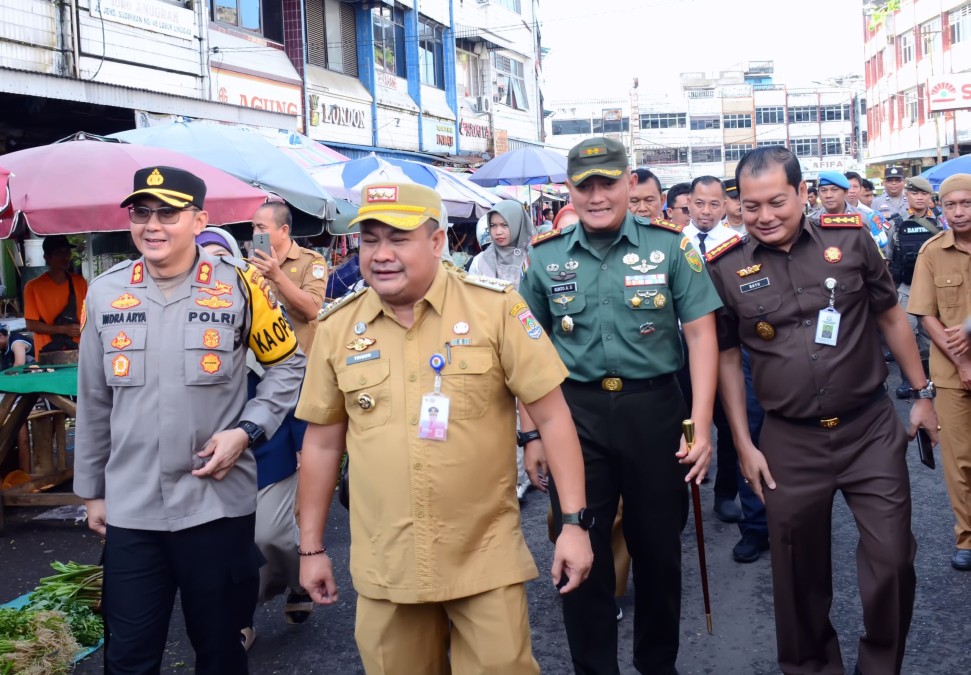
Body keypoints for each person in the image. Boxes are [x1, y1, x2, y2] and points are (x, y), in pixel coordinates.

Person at [296, 182, 593, 674]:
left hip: (483, 556)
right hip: (386, 565)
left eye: (399, 238)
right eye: (370, 240)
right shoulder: (337, 328)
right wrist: (311, 547)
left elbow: (553, 416)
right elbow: (323, 444)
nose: (382, 254)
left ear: (437, 243)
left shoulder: (496, 309)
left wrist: (575, 524)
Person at [709, 146, 938, 675]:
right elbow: (724, 358)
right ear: (737, 206)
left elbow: (891, 319)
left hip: (870, 430)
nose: (764, 216)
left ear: (803, 195)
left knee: (894, 559)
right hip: (788, 441)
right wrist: (743, 444)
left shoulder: (851, 239)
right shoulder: (726, 268)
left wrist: (922, 395)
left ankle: (879, 666)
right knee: (796, 572)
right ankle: (813, 668)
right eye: (750, 205)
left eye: (777, 202)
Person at [74, 166, 306, 674]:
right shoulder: (106, 293)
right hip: (132, 510)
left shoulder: (239, 287)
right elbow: (93, 398)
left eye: (168, 213)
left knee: (221, 651)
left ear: (199, 219)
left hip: (216, 507)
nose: (152, 225)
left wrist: (247, 432)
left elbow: (288, 365)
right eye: (141, 212)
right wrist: (92, 490)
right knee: (129, 657)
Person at [519, 137, 721, 675]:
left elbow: (702, 336)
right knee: (579, 547)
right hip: (574, 419)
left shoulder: (671, 247)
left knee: (658, 554)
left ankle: (658, 666)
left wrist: (700, 426)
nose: (597, 195)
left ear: (630, 184)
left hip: (655, 413)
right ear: (570, 190)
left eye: (607, 182)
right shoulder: (544, 256)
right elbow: (525, 349)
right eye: (584, 185)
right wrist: (530, 432)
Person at [194, 226, 313, 649]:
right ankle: (239, 619)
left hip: (270, 446)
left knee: (271, 535)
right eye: (201, 259)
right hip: (208, 456)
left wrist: (303, 444)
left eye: (220, 261)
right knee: (222, 548)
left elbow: (291, 378)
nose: (210, 271)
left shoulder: (260, 311)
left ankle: (299, 577)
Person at [907, 173, 971, 571]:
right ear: (940, 208)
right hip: (951, 374)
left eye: (966, 203)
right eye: (951, 205)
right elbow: (925, 314)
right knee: (960, 461)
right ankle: (966, 537)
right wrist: (962, 361)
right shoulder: (931, 252)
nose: (959, 212)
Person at [682, 176, 743, 523]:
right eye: (700, 203)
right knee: (686, 418)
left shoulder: (737, 244)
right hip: (682, 346)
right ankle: (685, 483)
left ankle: (725, 493)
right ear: (688, 203)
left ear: (725, 205)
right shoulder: (675, 242)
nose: (706, 212)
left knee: (730, 422)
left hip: (725, 346)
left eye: (714, 204)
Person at [469, 199, 535, 501]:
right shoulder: (481, 261)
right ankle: (514, 477)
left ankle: (534, 468)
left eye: (504, 225)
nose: (498, 232)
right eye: (493, 225)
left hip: (533, 342)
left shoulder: (534, 257)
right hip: (493, 342)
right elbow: (472, 300)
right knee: (503, 411)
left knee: (533, 409)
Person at [248, 202, 328, 352]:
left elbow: (313, 310)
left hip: (300, 360)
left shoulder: (311, 261)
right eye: (253, 228)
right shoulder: (251, 264)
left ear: (284, 231)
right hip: (261, 360)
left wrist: (277, 275)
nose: (255, 234)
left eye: (261, 228)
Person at [890, 176, 940, 399]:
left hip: (936, 288)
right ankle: (907, 379)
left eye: (924, 194)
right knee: (907, 333)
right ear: (907, 195)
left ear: (930, 197)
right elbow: (888, 257)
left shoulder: (941, 222)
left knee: (931, 336)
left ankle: (931, 378)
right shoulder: (896, 222)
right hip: (906, 287)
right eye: (915, 193)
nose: (920, 197)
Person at [23, 235, 88, 355]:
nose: (65, 257)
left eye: (67, 252)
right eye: (58, 253)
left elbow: (89, 316)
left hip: (78, 350)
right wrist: (63, 329)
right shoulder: (33, 286)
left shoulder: (80, 282)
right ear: (46, 257)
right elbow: (31, 325)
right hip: (46, 353)